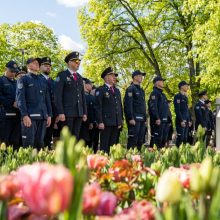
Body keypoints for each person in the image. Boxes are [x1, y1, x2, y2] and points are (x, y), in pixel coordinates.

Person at [16, 57, 52, 150]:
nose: (37, 64)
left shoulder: (42, 80)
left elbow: (47, 99)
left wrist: (49, 115)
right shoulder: (23, 79)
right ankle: (27, 164)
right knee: (29, 145)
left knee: (40, 144)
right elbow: (20, 99)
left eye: (38, 63)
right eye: (34, 62)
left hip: (43, 117)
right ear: (28, 65)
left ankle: (38, 164)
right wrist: (24, 115)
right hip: (30, 117)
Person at [55, 51, 87, 139]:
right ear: (69, 62)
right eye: (76, 61)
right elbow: (58, 95)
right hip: (67, 113)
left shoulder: (80, 77)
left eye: (79, 61)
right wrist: (60, 112)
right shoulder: (62, 75)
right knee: (66, 138)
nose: (78, 63)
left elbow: (82, 96)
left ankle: (74, 153)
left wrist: (84, 112)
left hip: (78, 112)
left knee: (75, 137)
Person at [95, 67, 123, 153]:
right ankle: (104, 163)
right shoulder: (101, 90)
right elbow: (98, 107)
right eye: (112, 75)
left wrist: (120, 121)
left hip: (115, 122)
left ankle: (112, 164)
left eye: (115, 76)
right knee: (104, 146)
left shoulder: (117, 90)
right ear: (106, 77)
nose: (114, 77)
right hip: (106, 122)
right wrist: (100, 121)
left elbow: (119, 106)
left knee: (113, 146)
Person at [123, 70, 147, 150]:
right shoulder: (130, 89)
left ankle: (139, 160)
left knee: (140, 140)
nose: (141, 78)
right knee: (133, 140)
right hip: (134, 119)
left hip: (142, 119)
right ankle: (130, 159)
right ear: (135, 77)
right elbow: (128, 105)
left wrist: (145, 118)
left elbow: (143, 106)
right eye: (140, 76)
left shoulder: (141, 90)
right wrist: (130, 118)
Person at [0, 61, 21, 149]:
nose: (13, 73)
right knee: (4, 141)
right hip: (5, 115)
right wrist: (12, 103)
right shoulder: (1, 80)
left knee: (15, 141)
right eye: (11, 71)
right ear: (6, 69)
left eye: (15, 72)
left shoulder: (17, 82)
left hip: (17, 116)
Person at [39, 57, 57, 148]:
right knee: (39, 138)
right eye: (45, 65)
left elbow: (55, 99)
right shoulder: (37, 79)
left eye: (49, 66)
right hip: (40, 112)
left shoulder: (53, 82)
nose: (48, 67)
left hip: (52, 113)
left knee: (48, 137)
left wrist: (56, 114)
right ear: (40, 67)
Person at [148, 76, 168, 148]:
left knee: (163, 139)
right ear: (156, 83)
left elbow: (166, 109)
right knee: (156, 140)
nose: (163, 82)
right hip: (158, 121)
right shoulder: (154, 93)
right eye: (161, 81)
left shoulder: (163, 95)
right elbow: (153, 107)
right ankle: (152, 155)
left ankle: (161, 157)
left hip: (164, 121)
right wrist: (157, 118)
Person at [79, 78, 96, 148]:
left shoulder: (91, 97)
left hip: (91, 123)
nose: (91, 85)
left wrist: (92, 122)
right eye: (90, 84)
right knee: (83, 141)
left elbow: (93, 111)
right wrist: (89, 122)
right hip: (83, 123)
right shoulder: (81, 96)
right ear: (85, 85)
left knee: (90, 142)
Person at [173, 81, 191, 147]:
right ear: (181, 86)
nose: (187, 87)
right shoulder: (177, 96)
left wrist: (189, 120)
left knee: (185, 138)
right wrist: (181, 120)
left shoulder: (186, 97)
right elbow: (177, 110)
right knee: (180, 138)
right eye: (186, 86)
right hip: (180, 121)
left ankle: (183, 154)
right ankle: (176, 152)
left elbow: (187, 110)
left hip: (186, 120)